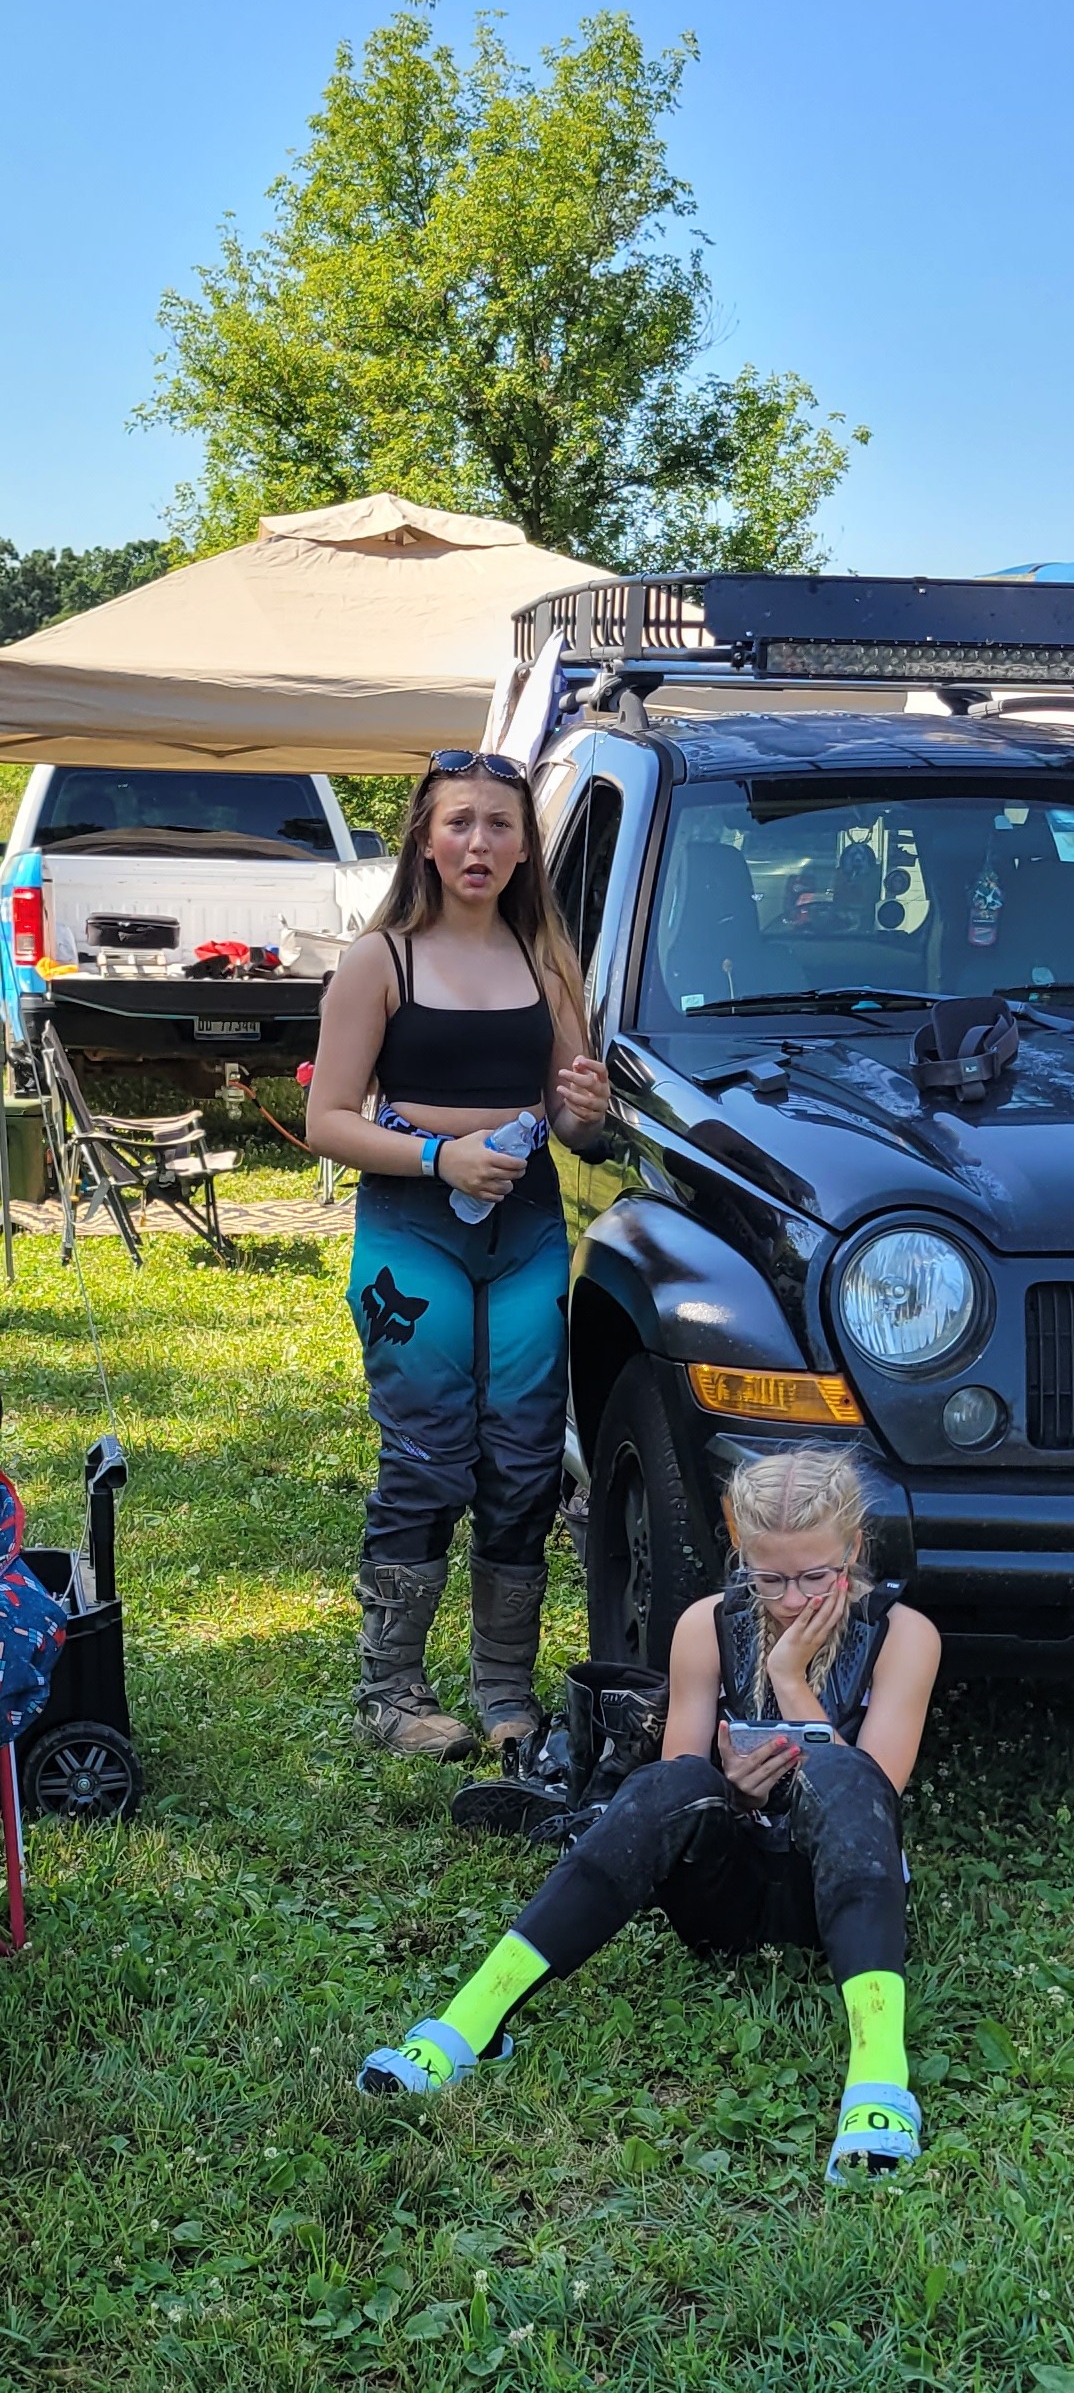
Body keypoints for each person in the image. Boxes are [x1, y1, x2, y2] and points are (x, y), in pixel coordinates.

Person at [357, 1447, 943, 2186]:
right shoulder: (707, 1625)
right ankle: (468, 2022)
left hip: (838, 1903)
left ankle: (879, 2080)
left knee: (844, 1773)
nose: (793, 1599)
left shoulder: (904, 1635)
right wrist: (735, 1789)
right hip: (723, 1893)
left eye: (815, 1576)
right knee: (671, 1783)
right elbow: (676, 1786)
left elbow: (876, 1795)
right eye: (769, 1578)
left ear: (853, 1550)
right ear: (741, 1551)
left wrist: (789, 1680)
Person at [307, 749, 610, 1763]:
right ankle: (390, 1693)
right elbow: (326, 1120)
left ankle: (504, 1692)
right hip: (412, 1229)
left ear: (525, 848)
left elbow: (574, 1126)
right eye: (459, 823)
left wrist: (584, 1111)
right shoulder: (379, 961)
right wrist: (443, 1158)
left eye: (499, 825)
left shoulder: (548, 960)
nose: (479, 842)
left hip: (525, 1228)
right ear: (426, 842)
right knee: (429, 1453)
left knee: (525, 1459)